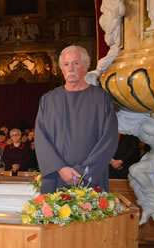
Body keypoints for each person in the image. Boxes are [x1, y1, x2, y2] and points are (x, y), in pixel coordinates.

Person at [35, 45, 118, 193]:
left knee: (91, 216)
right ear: (62, 69)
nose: (70, 68)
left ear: (86, 66)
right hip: (56, 177)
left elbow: (109, 140)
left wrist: (84, 172)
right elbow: (41, 139)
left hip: (91, 178)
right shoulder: (48, 100)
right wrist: (60, 168)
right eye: (66, 64)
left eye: (76, 63)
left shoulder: (102, 99)